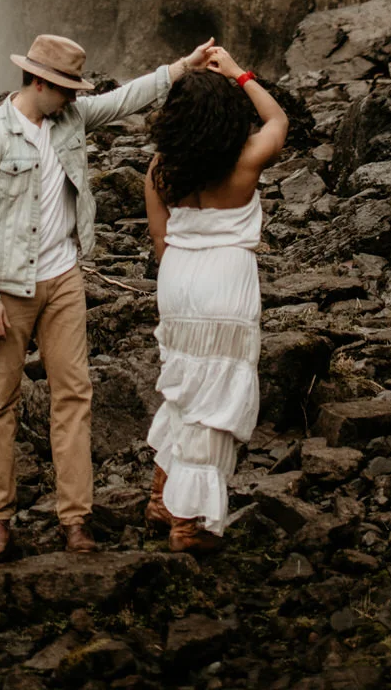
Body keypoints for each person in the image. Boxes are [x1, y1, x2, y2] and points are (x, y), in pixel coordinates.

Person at [0, 31, 215, 559]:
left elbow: (126, 98)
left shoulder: (69, 119)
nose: (74, 97)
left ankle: (75, 520)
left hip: (65, 279)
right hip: (9, 288)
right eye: (66, 88)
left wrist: (181, 68)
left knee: (73, 396)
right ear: (37, 81)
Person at [143, 46, 288, 552]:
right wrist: (238, 72)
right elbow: (278, 118)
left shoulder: (161, 167)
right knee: (216, 400)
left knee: (185, 387)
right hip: (225, 279)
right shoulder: (245, 160)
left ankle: (164, 495)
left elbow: (161, 244)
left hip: (179, 279)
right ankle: (192, 521)